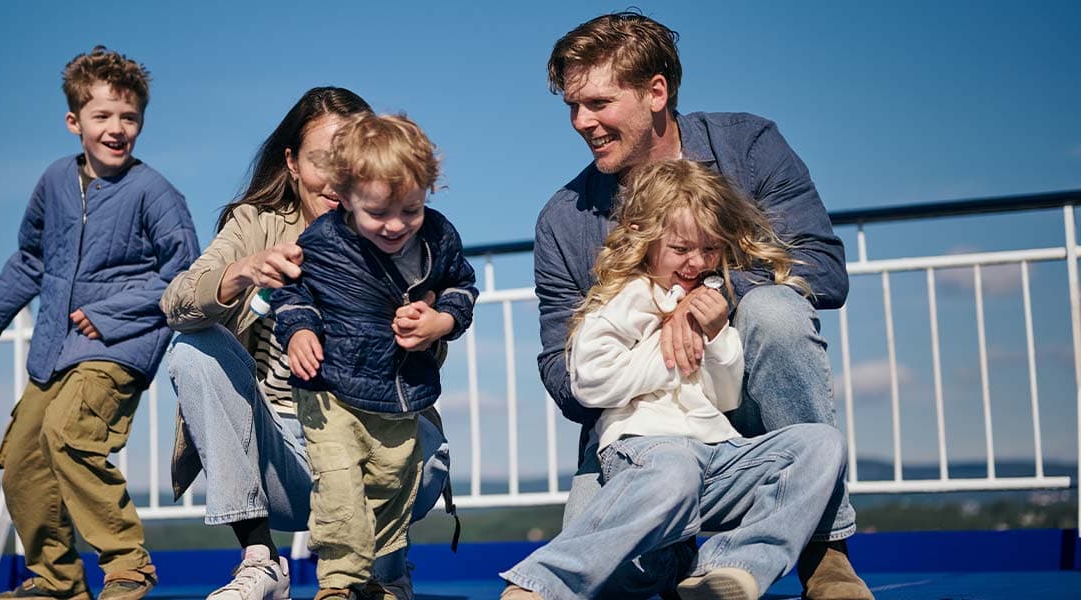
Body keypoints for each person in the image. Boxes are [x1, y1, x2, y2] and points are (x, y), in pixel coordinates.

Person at [533, 12, 872, 600]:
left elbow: (821, 264)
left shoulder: (749, 146)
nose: (580, 122)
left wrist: (713, 297)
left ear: (656, 91)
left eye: (597, 103)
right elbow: (563, 376)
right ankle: (688, 558)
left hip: (743, 410)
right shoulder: (564, 219)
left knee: (775, 310)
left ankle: (825, 554)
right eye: (572, 107)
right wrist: (658, 342)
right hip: (638, 437)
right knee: (609, 583)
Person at [503, 159, 848, 600]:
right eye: (681, 249)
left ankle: (731, 566)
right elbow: (589, 380)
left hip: (715, 450)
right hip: (647, 448)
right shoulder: (628, 297)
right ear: (647, 243)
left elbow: (724, 396)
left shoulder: (709, 298)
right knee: (670, 481)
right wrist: (667, 352)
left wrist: (718, 335)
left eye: (710, 250)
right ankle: (541, 583)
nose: (696, 262)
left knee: (821, 445)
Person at [162, 89, 454, 600]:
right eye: (325, 161)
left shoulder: (398, 234)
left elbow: (442, 329)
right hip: (278, 456)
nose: (339, 180)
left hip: (369, 443)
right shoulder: (255, 224)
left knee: (426, 451)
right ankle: (259, 562)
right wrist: (242, 271)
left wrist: (431, 323)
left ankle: (383, 575)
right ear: (293, 164)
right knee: (193, 348)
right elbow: (175, 303)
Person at [0, 46, 199, 600]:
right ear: (75, 122)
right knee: (21, 459)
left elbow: (185, 276)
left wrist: (108, 312)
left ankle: (126, 567)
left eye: (129, 117)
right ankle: (57, 580)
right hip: (52, 349)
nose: (117, 128)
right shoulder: (54, 182)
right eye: (103, 116)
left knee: (70, 433)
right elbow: (31, 258)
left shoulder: (154, 192)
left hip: (120, 346)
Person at [269, 113, 477, 600]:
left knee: (390, 484)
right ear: (344, 195)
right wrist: (299, 332)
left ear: (427, 190)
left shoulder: (438, 238)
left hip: (400, 390)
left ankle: (377, 578)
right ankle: (337, 585)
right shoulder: (322, 242)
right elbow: (292, 295)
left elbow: (461, 289)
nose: (395, 225)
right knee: (340, 484)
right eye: (377, 213)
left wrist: (441, 321)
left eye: (410, 209)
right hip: (330, 390)